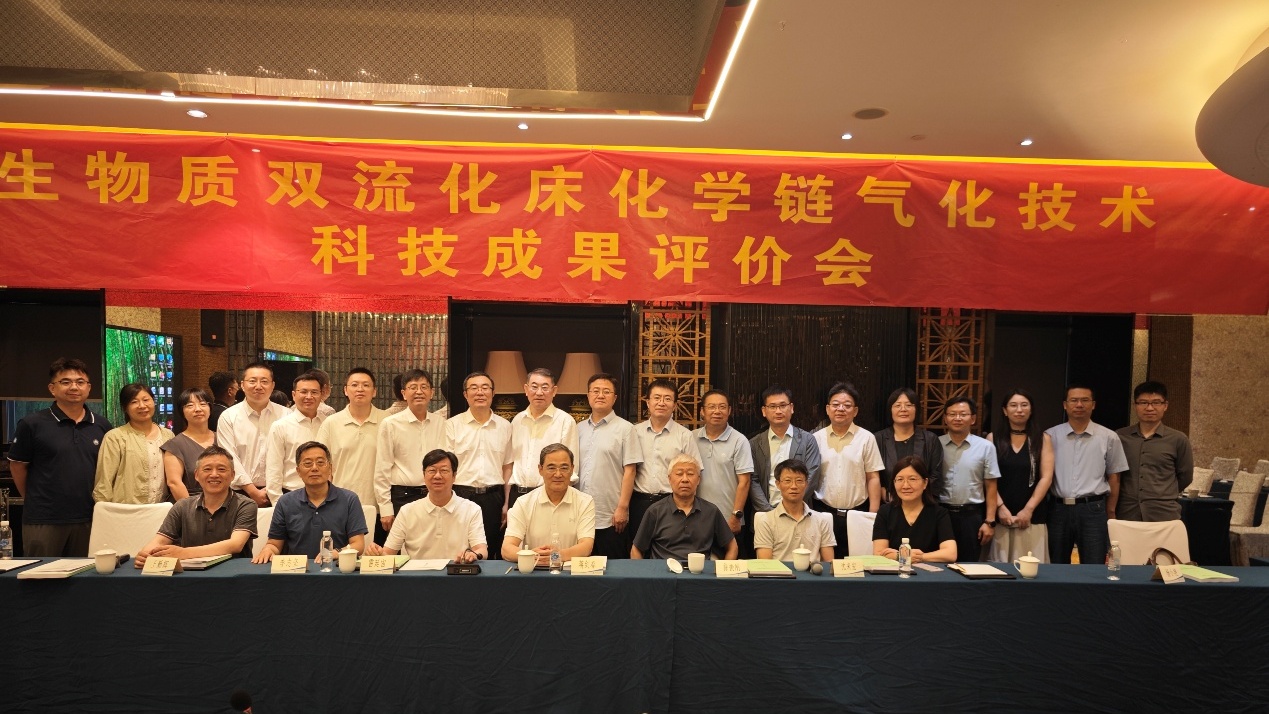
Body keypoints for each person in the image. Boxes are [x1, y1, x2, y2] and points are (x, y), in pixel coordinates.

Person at [7, 358, 111, 556]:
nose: (74, 387)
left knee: (86, 574)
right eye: (65, 382)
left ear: (88, 388)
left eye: (80, 382)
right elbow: (17, 466)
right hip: (44, 519)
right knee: (41, 573)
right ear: (52, 388)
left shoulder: (102, 425)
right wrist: (35, 499)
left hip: (90, 517)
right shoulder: (32, 424)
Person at [1044, 384, 1129, 565]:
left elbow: (1114, 477)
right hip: (1058, 509)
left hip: (1093, 510)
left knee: (1094, 565)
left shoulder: (1109, 437)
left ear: (1093, 404)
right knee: (1056, 565)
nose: (1079, 405)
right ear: (1065, 405)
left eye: (1085, 400)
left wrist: (1111, 511)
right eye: (1074, 400)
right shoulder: (1050, 436)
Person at [135, 445, 257, 567]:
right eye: (207, 469)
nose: (214, 474)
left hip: (232, 573)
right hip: (189, 574)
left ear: (232, 475)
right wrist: (146, 555)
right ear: (196, 475)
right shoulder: (182, 506)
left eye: (221, 469)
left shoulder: (246, 505)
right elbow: (160, 541)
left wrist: (183, 553)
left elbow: (235, 545)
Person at [252, 441, 368, 563]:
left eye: (320, 462)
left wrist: (334, 553)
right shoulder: (285, 502)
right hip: (297, 570)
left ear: (330, 468)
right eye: (308, 463)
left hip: (335, 568)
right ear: (298, 471)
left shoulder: (349, 499)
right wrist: (268, 550)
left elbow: (358, 545)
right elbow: (274, 544)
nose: (314, 468)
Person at [367, 449, 487, 563]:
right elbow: (388, 553)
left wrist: (474, 554)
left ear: (454, 476)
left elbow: (481, 549)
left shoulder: (472, 509)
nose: (437, 476)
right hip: (417, 575)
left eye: (444, 470)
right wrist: (376, 553)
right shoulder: (407, 511)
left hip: (456, 573)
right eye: (432, 471)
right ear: (424, 475)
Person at [444, 371, 514, 556]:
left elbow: (507, 466)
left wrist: (506, 503)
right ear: (465, 394)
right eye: (474, 388)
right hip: (461, 495)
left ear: (493, 393)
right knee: (459, 548)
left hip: (493, 497)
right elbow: (446, 468)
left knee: (490, 550)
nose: (480, 392)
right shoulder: (452, 425)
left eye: (485, 388)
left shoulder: (505, 426)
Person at [811, 382, 884, 557]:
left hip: (858, 512)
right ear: (827, 409)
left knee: (856, 562)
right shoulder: (815, 439)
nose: (841, 409)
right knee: (825, 563)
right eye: (836, 404)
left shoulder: (866, 438)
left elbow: (873, 477)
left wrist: (873, 514)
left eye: (847, 405)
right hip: (823, 512)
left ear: (855, 411)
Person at [576, 373, 642, 559]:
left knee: (613, 567)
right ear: (588, 395)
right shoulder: (578, 428)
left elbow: (630, 471)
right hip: (580, 512)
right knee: (580, 567)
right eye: (595, 391)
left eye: (606, 392)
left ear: (614, 398)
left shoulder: (626, 429)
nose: (600, 395)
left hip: (610, 514)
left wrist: (622, 507)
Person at [374, 369, 446, 538]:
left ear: (432, 393)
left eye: (424, 387)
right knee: (403, 547)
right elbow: (382, 468)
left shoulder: (441, 423)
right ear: (403, 393)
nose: (419, 392)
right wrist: (385, 507)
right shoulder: (390, 424)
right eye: (413, 387)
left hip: (434, 495)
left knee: (432, 544)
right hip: (402, 496)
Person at [748, 386, 821, 550]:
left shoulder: (807, 440)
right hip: (766, 516)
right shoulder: (754, 443)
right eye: (772, 406)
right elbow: (752, 480)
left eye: (783, 405)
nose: (778, 411)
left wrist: (790, 508)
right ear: (764, 411)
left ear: (791, 408)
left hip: (799, 515)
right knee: (765, 563)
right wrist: (769, 512)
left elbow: (812, 475)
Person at [630, 379, 702, 539]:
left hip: (673, 503)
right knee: (639, 546)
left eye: (667, 399)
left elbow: (695, 473)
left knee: (671, 546)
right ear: (647, 402)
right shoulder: (634, 432)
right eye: (657, 398)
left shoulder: (685, 435)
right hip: (639, 502)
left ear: (674, 405)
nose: (661, 403)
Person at [631, 452, 738, 561]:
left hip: (700, 570)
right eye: (679, 474)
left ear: (698, 479)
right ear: (669, 479)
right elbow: (636, 550)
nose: (685, 479)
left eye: (690, 474)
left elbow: (732, 547)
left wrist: (723, 570)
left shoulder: (711, 511)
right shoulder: (655, 511)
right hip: (664, 570)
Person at [501, 444, 596, 563]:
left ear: (572, 469)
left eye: (564, 468)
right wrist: (532, 556)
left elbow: (586, 547)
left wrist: (556, 556)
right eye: (551, 468)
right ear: (540, 469)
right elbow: (507, 548)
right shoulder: (524, 503)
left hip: (568, 571)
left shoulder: (585, 502)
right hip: (535, 569)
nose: (558, 474)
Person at [988, 389, 1053, 563]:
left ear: (1031, 410)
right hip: (1002, 516)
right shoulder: (993, 439)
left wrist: (1028, 510)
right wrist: (1000, 507)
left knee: (1031, 567)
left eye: (1024, 405)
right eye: (1013, 405)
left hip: (1032, 516)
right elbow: (987, 479)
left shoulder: (1042, 439)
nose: (1019, 410)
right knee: (1000, 568)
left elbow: (1046, 477)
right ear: (1005, 410)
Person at [316, 367, 387, 522]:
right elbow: (321, 464)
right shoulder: (331, 423)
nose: (360, 389)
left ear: (374, 391)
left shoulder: (387, 421)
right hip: (339, 504)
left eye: (366, 385)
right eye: (354, 385)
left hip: (377, 505)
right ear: (345, 390)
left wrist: (386, 506)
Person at [1116, 381, 1194, 521]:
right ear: (1135, 405)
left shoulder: (1178, 439)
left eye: (1156, 402)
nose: (1150, 408)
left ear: (1165, 405)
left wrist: (1162, 494)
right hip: (1127, 512)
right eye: (1143, 402)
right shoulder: (1120, 437)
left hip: (1163, 513)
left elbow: (1185, 477)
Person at [217, 362, 289, 507]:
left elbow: (290, 455)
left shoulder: (286, 415)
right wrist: (252, 491)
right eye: (252, 381)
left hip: (281, 491)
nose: (258, 386)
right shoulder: (229, 416)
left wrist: (272, 489)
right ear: (242, 385)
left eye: (264, 381)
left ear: (273, 385)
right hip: (240, 493)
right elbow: (229, 456)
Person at [937, 396, 1000, 562]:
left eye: (963, 414)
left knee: (968, 564)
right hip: (941, 514)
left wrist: (990, 521)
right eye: (952, 414)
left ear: (972, 419)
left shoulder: (985, 447)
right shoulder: (935, 444)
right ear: (945, 418)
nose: (957, 418)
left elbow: (991, 486)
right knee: (939, 563)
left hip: (971, 516)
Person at [508, 368, 579, 510]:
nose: (539, 392)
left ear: (554, 391)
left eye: (545, 387)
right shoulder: (517, 420)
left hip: (550, 496)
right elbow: (510, 463)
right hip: (517, 495)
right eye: (534, 387)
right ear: (526, 389)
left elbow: (570, 469)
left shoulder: (565, 421)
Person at [92, 382, 175, 504]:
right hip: (126, 510)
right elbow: (104, 482)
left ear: (154, 401)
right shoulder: (115, 437)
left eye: (146, 400)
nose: (142, 406)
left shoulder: (168, 435)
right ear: (125, 408)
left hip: (161, 509)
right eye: (134, 402)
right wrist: (104, 508)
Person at [692, 390, 753, 551]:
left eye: (722, 407)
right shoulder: (691, 438)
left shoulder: (739, 441)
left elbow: (745, 482)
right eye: (711, 407)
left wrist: (736, 516)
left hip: (727, 519)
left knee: (728, 564)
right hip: (696, 518)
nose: (717, 411)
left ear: (729, 410)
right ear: (702, 411)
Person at [872, 456, 957, 563]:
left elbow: (950, 554)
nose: (905, 486)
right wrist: (902, 556)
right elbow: (878, 553)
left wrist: (919, 557)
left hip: (929, 572)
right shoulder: (885, 511)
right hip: (895, 572)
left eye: (912, 479)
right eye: (900, 479)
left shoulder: (939, 513)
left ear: (925, 483)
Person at [265, 371, 328, 506]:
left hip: (326, 496)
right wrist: (278, 503)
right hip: (292, 495)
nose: (309, 397)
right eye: (303, 392)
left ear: (321, 395)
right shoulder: (280, 426)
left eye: (314, 392)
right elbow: (273, 469)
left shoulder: (329, 423)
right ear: (294, 395)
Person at [753, 459, 835, 562]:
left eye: (799, 481)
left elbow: (829, 563)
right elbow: (765, 564)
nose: (794, 486)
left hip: (813, 572)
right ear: (778, 484)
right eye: (787, 481)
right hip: (778, 572)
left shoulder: (822, 521)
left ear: (806, 484)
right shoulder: (765, 521)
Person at [874, 387, 944, 500]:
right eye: (897, 405)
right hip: (889, 503)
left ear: (916, 410)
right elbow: (873, 475)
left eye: (909, 405)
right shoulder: (878, 439)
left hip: (922, 503)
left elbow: (936, 475)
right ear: (890, 410)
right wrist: (886, 495)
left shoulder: (930, 439)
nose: (903, 409)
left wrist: (915, 497)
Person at [161, 388, 218, 500]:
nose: (198, 409)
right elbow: (174, 483)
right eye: (190, 405)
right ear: (182, 411)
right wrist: (193, 509)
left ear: (210, 408)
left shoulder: (222, 438)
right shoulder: (175, 445)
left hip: (225, 501)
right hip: (191, 502)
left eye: (202, 404)